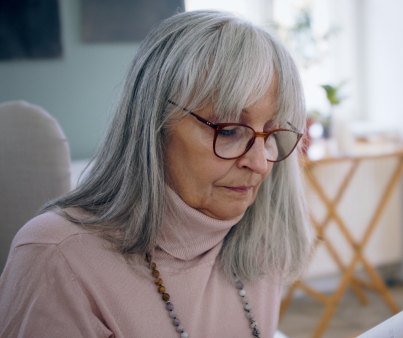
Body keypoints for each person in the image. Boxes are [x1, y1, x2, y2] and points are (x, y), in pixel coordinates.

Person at [0, 10, 312, 338]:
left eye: (273, 132)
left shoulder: (260, 242)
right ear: (154, 126)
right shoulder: (56, 260)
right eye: (231, 130)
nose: (261, 164)